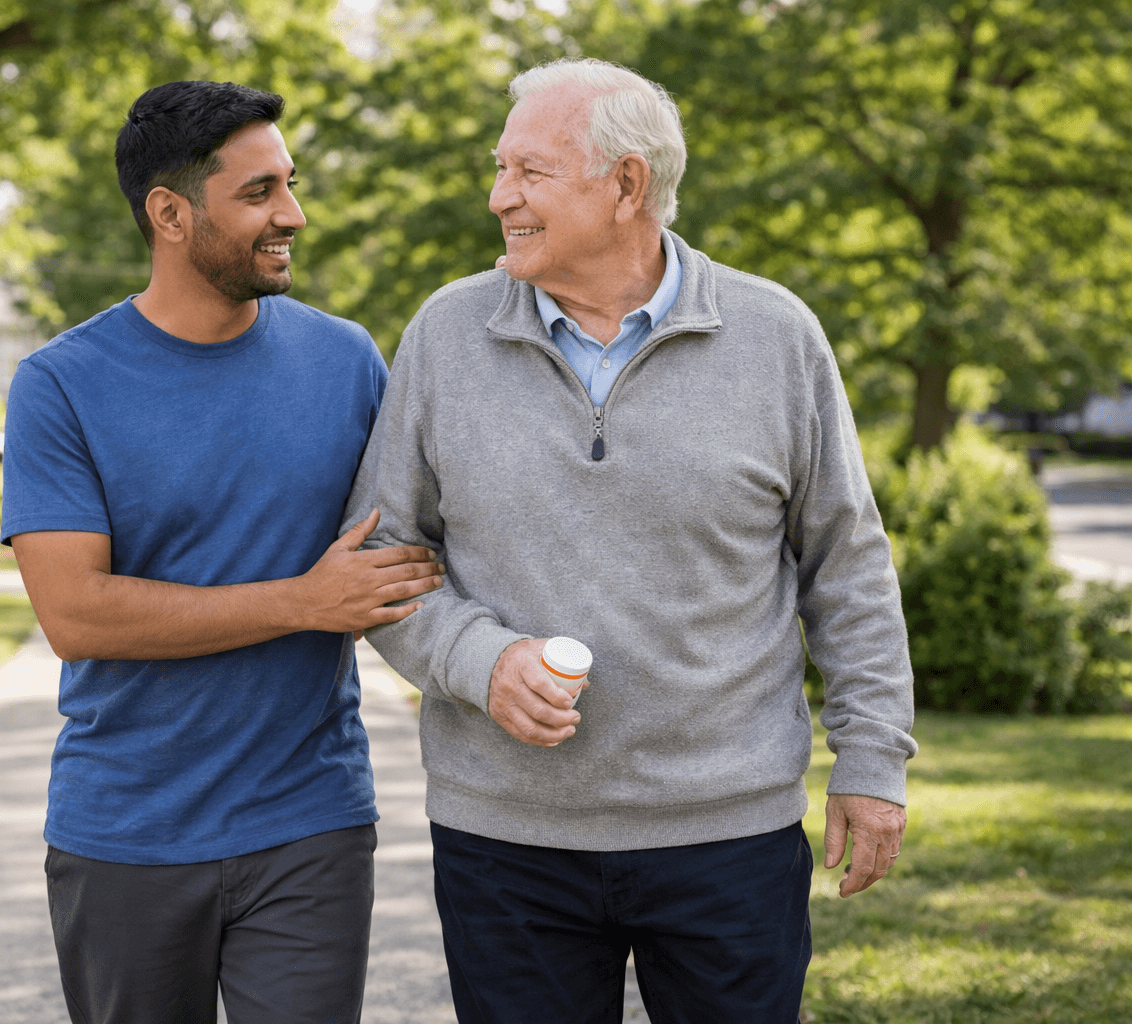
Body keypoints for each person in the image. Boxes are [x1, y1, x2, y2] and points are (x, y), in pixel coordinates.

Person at [345, 58, 918, 1023]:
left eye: (529, 172)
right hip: (506, 843)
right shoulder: (446, 335)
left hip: (728, 836)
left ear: (626, 184)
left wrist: (871, 763)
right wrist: (482, 661)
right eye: (500, 169)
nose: (499, 197)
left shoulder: (776, 336)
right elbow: (381, 554)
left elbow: (847, 567)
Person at [1, 80, 444, 1024]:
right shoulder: (61, 384)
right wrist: (301, 602)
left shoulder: (347, 361)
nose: (293, 214)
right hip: (126, 833)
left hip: (310, 821)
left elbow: (421, 544)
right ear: (170, 213)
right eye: (258, 193)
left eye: (289, 183)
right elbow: (76, 614)